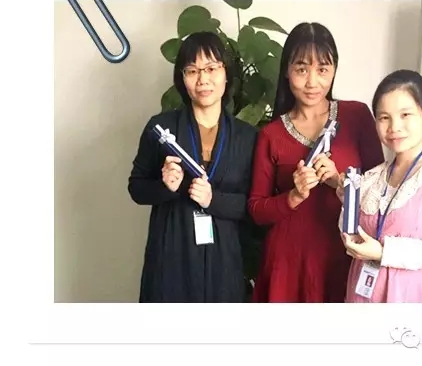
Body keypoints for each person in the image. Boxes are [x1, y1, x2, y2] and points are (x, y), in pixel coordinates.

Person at [247, 22, 385, 303]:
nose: (312, 82)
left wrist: (339, 181)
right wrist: (294, 196)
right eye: (301, 69)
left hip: (344, 254)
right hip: (288, 262)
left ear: (334, 70)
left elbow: (381, 191)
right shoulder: (271, 134)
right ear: (287, 71)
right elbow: (257, 210)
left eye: (322, 69)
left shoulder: (357, 116)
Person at [127, 31, 258, 303]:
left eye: (211, 68)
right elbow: (136, 188)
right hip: (171, 252)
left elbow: (254, 205)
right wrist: (165, 186)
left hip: (225, 258)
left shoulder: (247, 136)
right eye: (192, 71)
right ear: (182, 78)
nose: (203, 79)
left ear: (226, 74)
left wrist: (214, 200)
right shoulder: (161, 128)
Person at [336, 69, 422, 303]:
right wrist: (347, 200)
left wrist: (385, 253)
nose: (394, 127)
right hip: (366, 294)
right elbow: (351, 233)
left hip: (419, 297)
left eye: (405, 115)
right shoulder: (373, 177)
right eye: (384, 117)